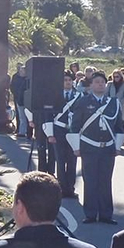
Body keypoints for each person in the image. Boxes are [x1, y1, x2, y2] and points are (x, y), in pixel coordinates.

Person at [62, 70, 122, 224]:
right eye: (97, 82)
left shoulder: (113, 103)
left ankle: (106, 214)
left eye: (102, 82)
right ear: (91, 85)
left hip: (108, 148)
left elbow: (119, 127)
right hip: (89, 146)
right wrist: (76, 147)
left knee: (105, 181)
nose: (100, 85)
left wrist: (118, 146)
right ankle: (90, 214)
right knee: (90, 181)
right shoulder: (83, 102)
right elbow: (75, 126)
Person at [45, 72, 81, 200]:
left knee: (72, 160)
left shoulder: (79, 96)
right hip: (58, 130)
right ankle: (61, 188)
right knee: (60, 160)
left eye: (70, 80)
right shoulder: (54, 96)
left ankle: (70, 189)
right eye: (65, 80)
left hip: (73, 131)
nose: (68, 82)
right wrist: (50, 134)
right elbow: (48, 115)